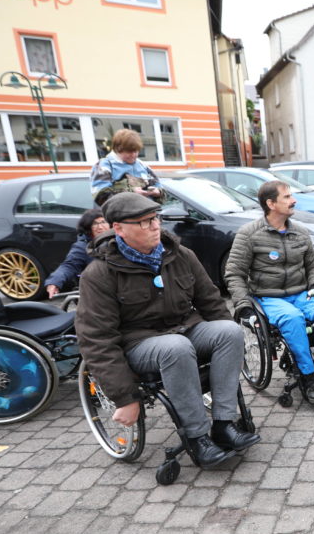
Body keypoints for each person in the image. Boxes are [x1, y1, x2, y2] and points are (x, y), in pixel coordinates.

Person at [76, 192, 259, 469]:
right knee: (175, 347)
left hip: (184, 329)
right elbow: (96, 340)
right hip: (139, 343)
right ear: (119, 229)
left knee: (229, 331)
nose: (155, 226)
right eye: (144, 222)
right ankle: (197, 437)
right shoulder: (100, 274)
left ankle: (223, 423)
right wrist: (124, 398)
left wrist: (229, 354)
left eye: (155, 218)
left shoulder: (180, 256)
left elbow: (210, 301)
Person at [224, 180, 314, 404]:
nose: (293, 200)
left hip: (300, 294)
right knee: (293, 318)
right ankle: (308, 377)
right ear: (270, 203)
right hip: (269, 297)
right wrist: (244, 305)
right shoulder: (249, 234)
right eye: (287, 197)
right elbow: (234, 274)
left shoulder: (299, 231)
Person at [44, 208, 109, 298]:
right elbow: (69, 265)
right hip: (97, 292)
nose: (100, 227)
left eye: (103, 222)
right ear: (88, 227)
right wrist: (54, 282)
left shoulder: (119, 240)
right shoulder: (82, 246)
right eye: (95, 224)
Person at [90, 129, 162, 206]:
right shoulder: (104, 165)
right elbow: (101, 196)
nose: (134, 155)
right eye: (129, 151)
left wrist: (158, 193)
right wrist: (131, 193)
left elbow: (161, 191)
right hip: (122, 216)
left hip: (149, 214)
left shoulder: (143, 166)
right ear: (118, 148)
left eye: (136, 151)